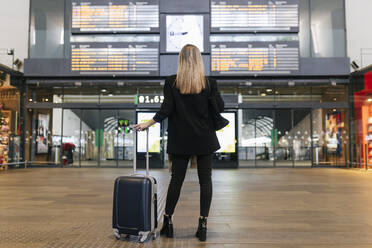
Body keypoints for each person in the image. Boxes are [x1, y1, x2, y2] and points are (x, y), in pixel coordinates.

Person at [134, 44, 224, 242]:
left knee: (177, 179)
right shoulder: (209, 83)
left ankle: (168, 221)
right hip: (204, 138)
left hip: (180, 139)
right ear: (199, 60)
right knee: (205, 181)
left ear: (181, 60)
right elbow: (220, 107)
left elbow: (166, 109)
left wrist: (147, 124)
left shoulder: (172, 82)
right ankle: (202, 224)